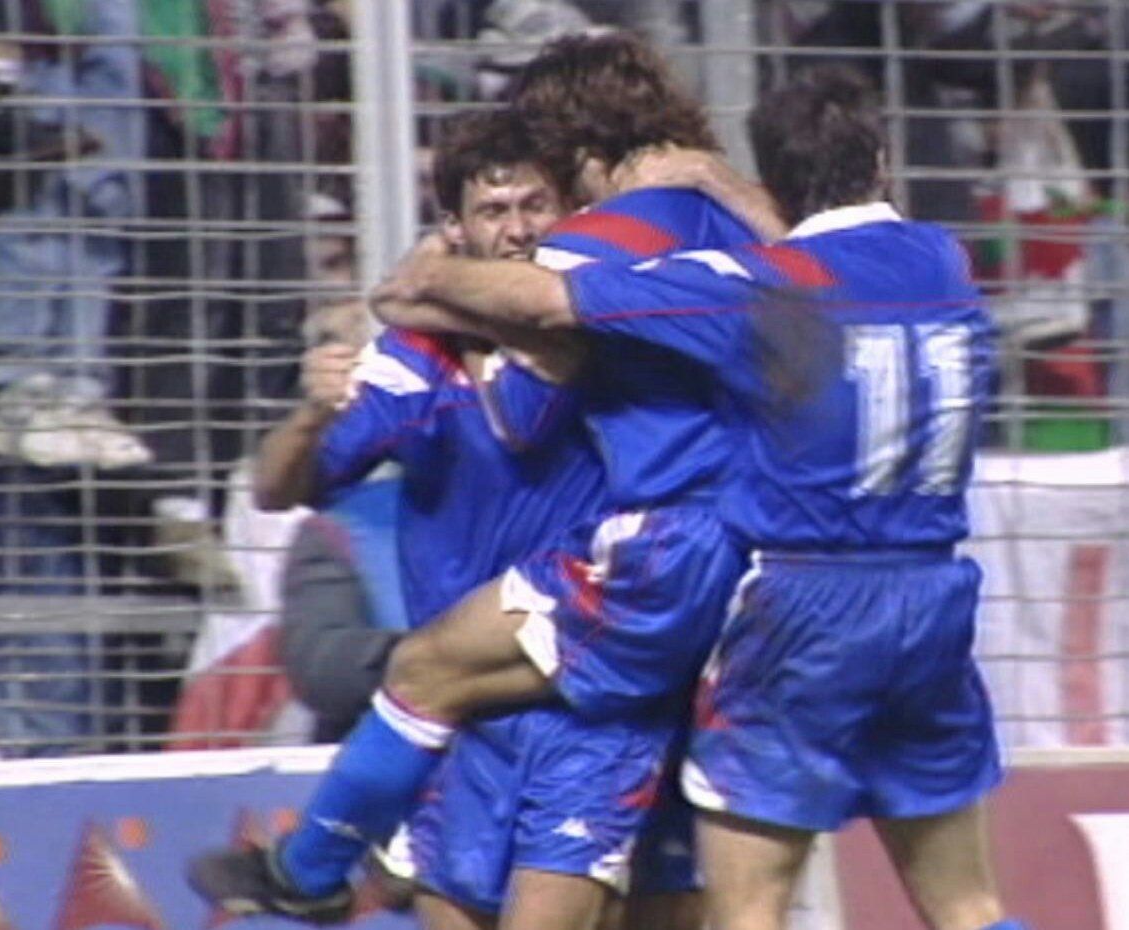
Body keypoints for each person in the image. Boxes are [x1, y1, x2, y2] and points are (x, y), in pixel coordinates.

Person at [376, 63, 1026, 930]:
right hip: (936, 602)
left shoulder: (759, 285)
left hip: (807, 604)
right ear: (881, 162)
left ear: (773, 178)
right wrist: (720, 180)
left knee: (746, 908)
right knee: (969, 907)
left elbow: (549, 299)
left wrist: (431, 277)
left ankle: (306, 863)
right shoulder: (940, 260)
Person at [187, 31, 786, 927]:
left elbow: (783, 277)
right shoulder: (422, 355)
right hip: (470, 719)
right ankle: (307, 873)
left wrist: (716, 187)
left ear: (568, 208)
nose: (515, 229)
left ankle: (306, 868)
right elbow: (281, 490)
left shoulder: (614, 318)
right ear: (455, 227)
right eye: (491, 209)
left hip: (597, 705)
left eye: (533, 205)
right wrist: (312, 412)